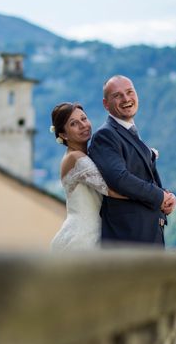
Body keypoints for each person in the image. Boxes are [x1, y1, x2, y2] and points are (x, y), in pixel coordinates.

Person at [88, 75, 176, 246]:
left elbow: (143, 178)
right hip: (128, 236)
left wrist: (167, 196)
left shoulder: (130, 133)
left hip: (149, 233)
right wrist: (159, 196)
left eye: (130, 92)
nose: (126, 99)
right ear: (106, 104)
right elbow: (119, 178)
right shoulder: (105, 135)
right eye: (117, 95)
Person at [50, 102, 125, 251]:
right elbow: (110, 189)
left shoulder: (85, 155)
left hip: (92, 234)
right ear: (63, 134)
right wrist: (153, 198)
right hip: (81, 238)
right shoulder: (75, 158)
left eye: (84, 119)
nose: (83, 125)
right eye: (74, 124)